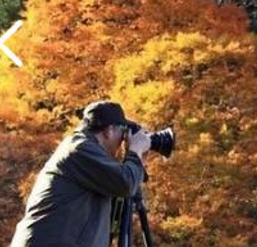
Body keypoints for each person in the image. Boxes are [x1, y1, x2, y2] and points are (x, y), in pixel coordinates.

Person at [10, 101, 151, 247]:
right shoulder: (79, 149)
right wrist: (135, 153)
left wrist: (138, 160)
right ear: (109, 131)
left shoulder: (82, 150)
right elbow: (125, 184)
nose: (123, 140)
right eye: (122, 133)